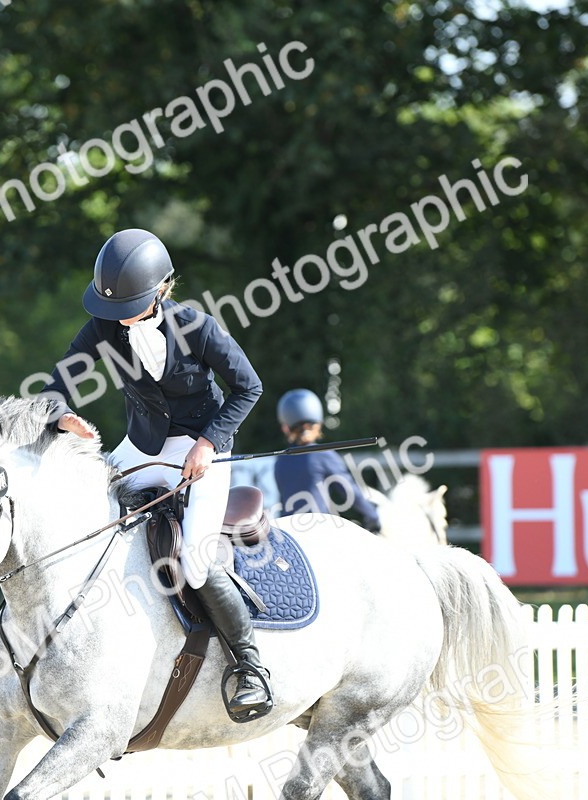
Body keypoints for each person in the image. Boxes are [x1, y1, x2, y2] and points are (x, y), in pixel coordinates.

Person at [42, 228, 271, 721]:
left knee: (196, 562)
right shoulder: (104, 327)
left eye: (127, 305)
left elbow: (248, 387)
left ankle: (250, 666)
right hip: (142, 445)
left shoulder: (199, 327)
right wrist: (62, 417)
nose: (116, 316)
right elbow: (54, 387)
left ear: (161, 290)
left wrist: (209, 443)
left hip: (203, 447)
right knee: (89, 519)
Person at [273, 388, 382, 532]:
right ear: (318, 422)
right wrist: (373, 515)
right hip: (317, 531)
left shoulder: (281, 460)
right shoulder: (322, 455)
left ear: (286, 427)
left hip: (287, 531)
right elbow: (349, 491)